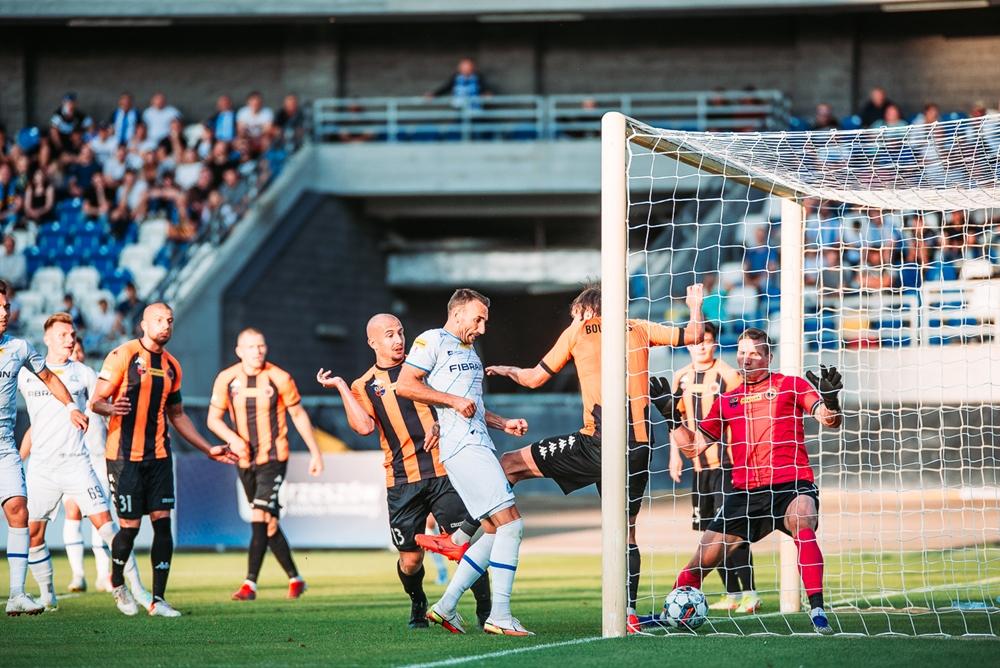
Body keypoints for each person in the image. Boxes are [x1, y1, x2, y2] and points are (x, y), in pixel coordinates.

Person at [477, 283, 704, 632]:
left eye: (575, 313)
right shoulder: (639, 327)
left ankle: (465, 537)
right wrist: (695, 304)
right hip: (639, 447)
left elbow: (535, 379)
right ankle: (628, 613)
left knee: (510, 463)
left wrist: (508, 370)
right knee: (626, 531)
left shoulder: (579, 329)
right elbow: (694, 334)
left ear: (585, 310)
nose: (573, 318)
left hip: (597, 441)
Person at [316, 313, 491, 629]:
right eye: (389, 335)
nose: (398, 340)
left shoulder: (424, 367)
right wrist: (341, 386)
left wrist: (440, 425)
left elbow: (456, 403)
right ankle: (418, 602)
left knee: (464, 545)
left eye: (400, 332)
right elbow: (364, 427)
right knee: (410, 560)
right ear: (372, 342)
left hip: (443, 471)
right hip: (401, 480)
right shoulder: (364, 384)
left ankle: (487, 612)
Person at [669, 327, 843, 635]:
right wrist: (672, 418)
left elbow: (830, 420)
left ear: (768, 357)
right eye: (741, 353)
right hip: (746, 492)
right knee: (702, 560)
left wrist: (831, 400)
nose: (746, 359)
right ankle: (670, 609)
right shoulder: (727, 400)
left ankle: (817, 610)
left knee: (803, 518)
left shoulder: (790, 385)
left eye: (753, 353)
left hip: (791, 485)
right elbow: (694, 448)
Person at [396, 289, 533, 636]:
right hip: (463, 447)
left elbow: (473, 406)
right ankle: (500, 615)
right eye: (478, 319)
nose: (482, 328)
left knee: (493, 530)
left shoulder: (469, 350)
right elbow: (405, 385)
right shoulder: (432, 340)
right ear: (457, 314)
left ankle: (445, 607)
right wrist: (451, 401)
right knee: (512, 525)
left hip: (476, 443)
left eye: (485, 321)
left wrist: (503, 423)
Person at [90, 303, 238, 617]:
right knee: (129, 529)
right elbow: (96, 401)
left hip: (158, 456)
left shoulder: (172, 366)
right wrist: (111, 408)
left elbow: (178, 415)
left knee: (162, 524)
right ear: (144, 324)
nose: (166, 325)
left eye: (169, 320)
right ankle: (117, 582)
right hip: (124, 456)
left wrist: (207, 448)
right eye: (159, 320)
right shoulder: (123, 355)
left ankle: (158, 600)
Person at [17, 314, 151, 613]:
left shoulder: (84, 373)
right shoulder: (26, 375)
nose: (70, 339)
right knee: (34, 534)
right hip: (41, 468)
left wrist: (112, 410)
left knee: (108, 528)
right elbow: (34, 428)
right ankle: (47, 594)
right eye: (63, 335)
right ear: (47, 338)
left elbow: (101, 404)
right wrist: (18, 458)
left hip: (78, 464)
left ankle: (133, 589)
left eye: (73, 335)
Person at [207, 328, 324, 601]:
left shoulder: (279, 377)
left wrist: (316, 453)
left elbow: (298, 414)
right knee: (269, 524)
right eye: (251, 347)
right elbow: (213, 419)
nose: (258, 351)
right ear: (239, 351)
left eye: (261, 346)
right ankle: (296, 578)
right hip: (244, 460)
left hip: (273, 459)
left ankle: (249, 585)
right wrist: (233, 440)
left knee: (259, 517)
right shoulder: (226, 379)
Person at [650, 321, 757, 613]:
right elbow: (676, 420)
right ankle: (732, 594)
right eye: (696, 342)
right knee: (710, 531)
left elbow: (744, 413)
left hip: (728, 465)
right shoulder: (681, 376)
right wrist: (675, 456)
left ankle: (750, 593)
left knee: (731, 529)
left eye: (706, 341)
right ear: (688, 346)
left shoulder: (728, 375)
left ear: (714, 344)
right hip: (699, 467)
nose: (700, 347)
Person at [0, 284, 90, 616]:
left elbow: (49, 378)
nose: (5, 312)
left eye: (6, 306)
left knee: (19, 510)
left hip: (5, 445)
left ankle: (16, 593)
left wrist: (71, 406)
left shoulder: (19, 347)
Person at [427, 58, 494, 106]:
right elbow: (446, 87)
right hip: (460, 107)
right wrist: (434, 94)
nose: (466, 69)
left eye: (468, 66)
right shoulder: (456, 78)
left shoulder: (478, 77)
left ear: (472, 67)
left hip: (474, 108)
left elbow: (485, 87)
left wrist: (487, 93)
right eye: (464, 67)